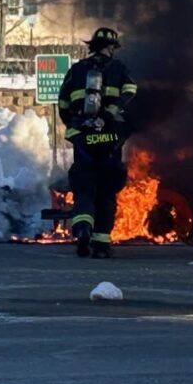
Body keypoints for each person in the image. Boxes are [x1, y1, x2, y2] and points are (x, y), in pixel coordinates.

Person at [58, 27, 137, 258]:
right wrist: (112, 114)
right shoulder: (118, 68)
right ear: (110, 47)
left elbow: (63, 103)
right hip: (110, 139)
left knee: (84, 186)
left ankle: (83, 228)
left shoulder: (77, 70)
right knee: (106, 190)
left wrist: (74, 126)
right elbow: (131, 90)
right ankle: (101, 243)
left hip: (83, 139)